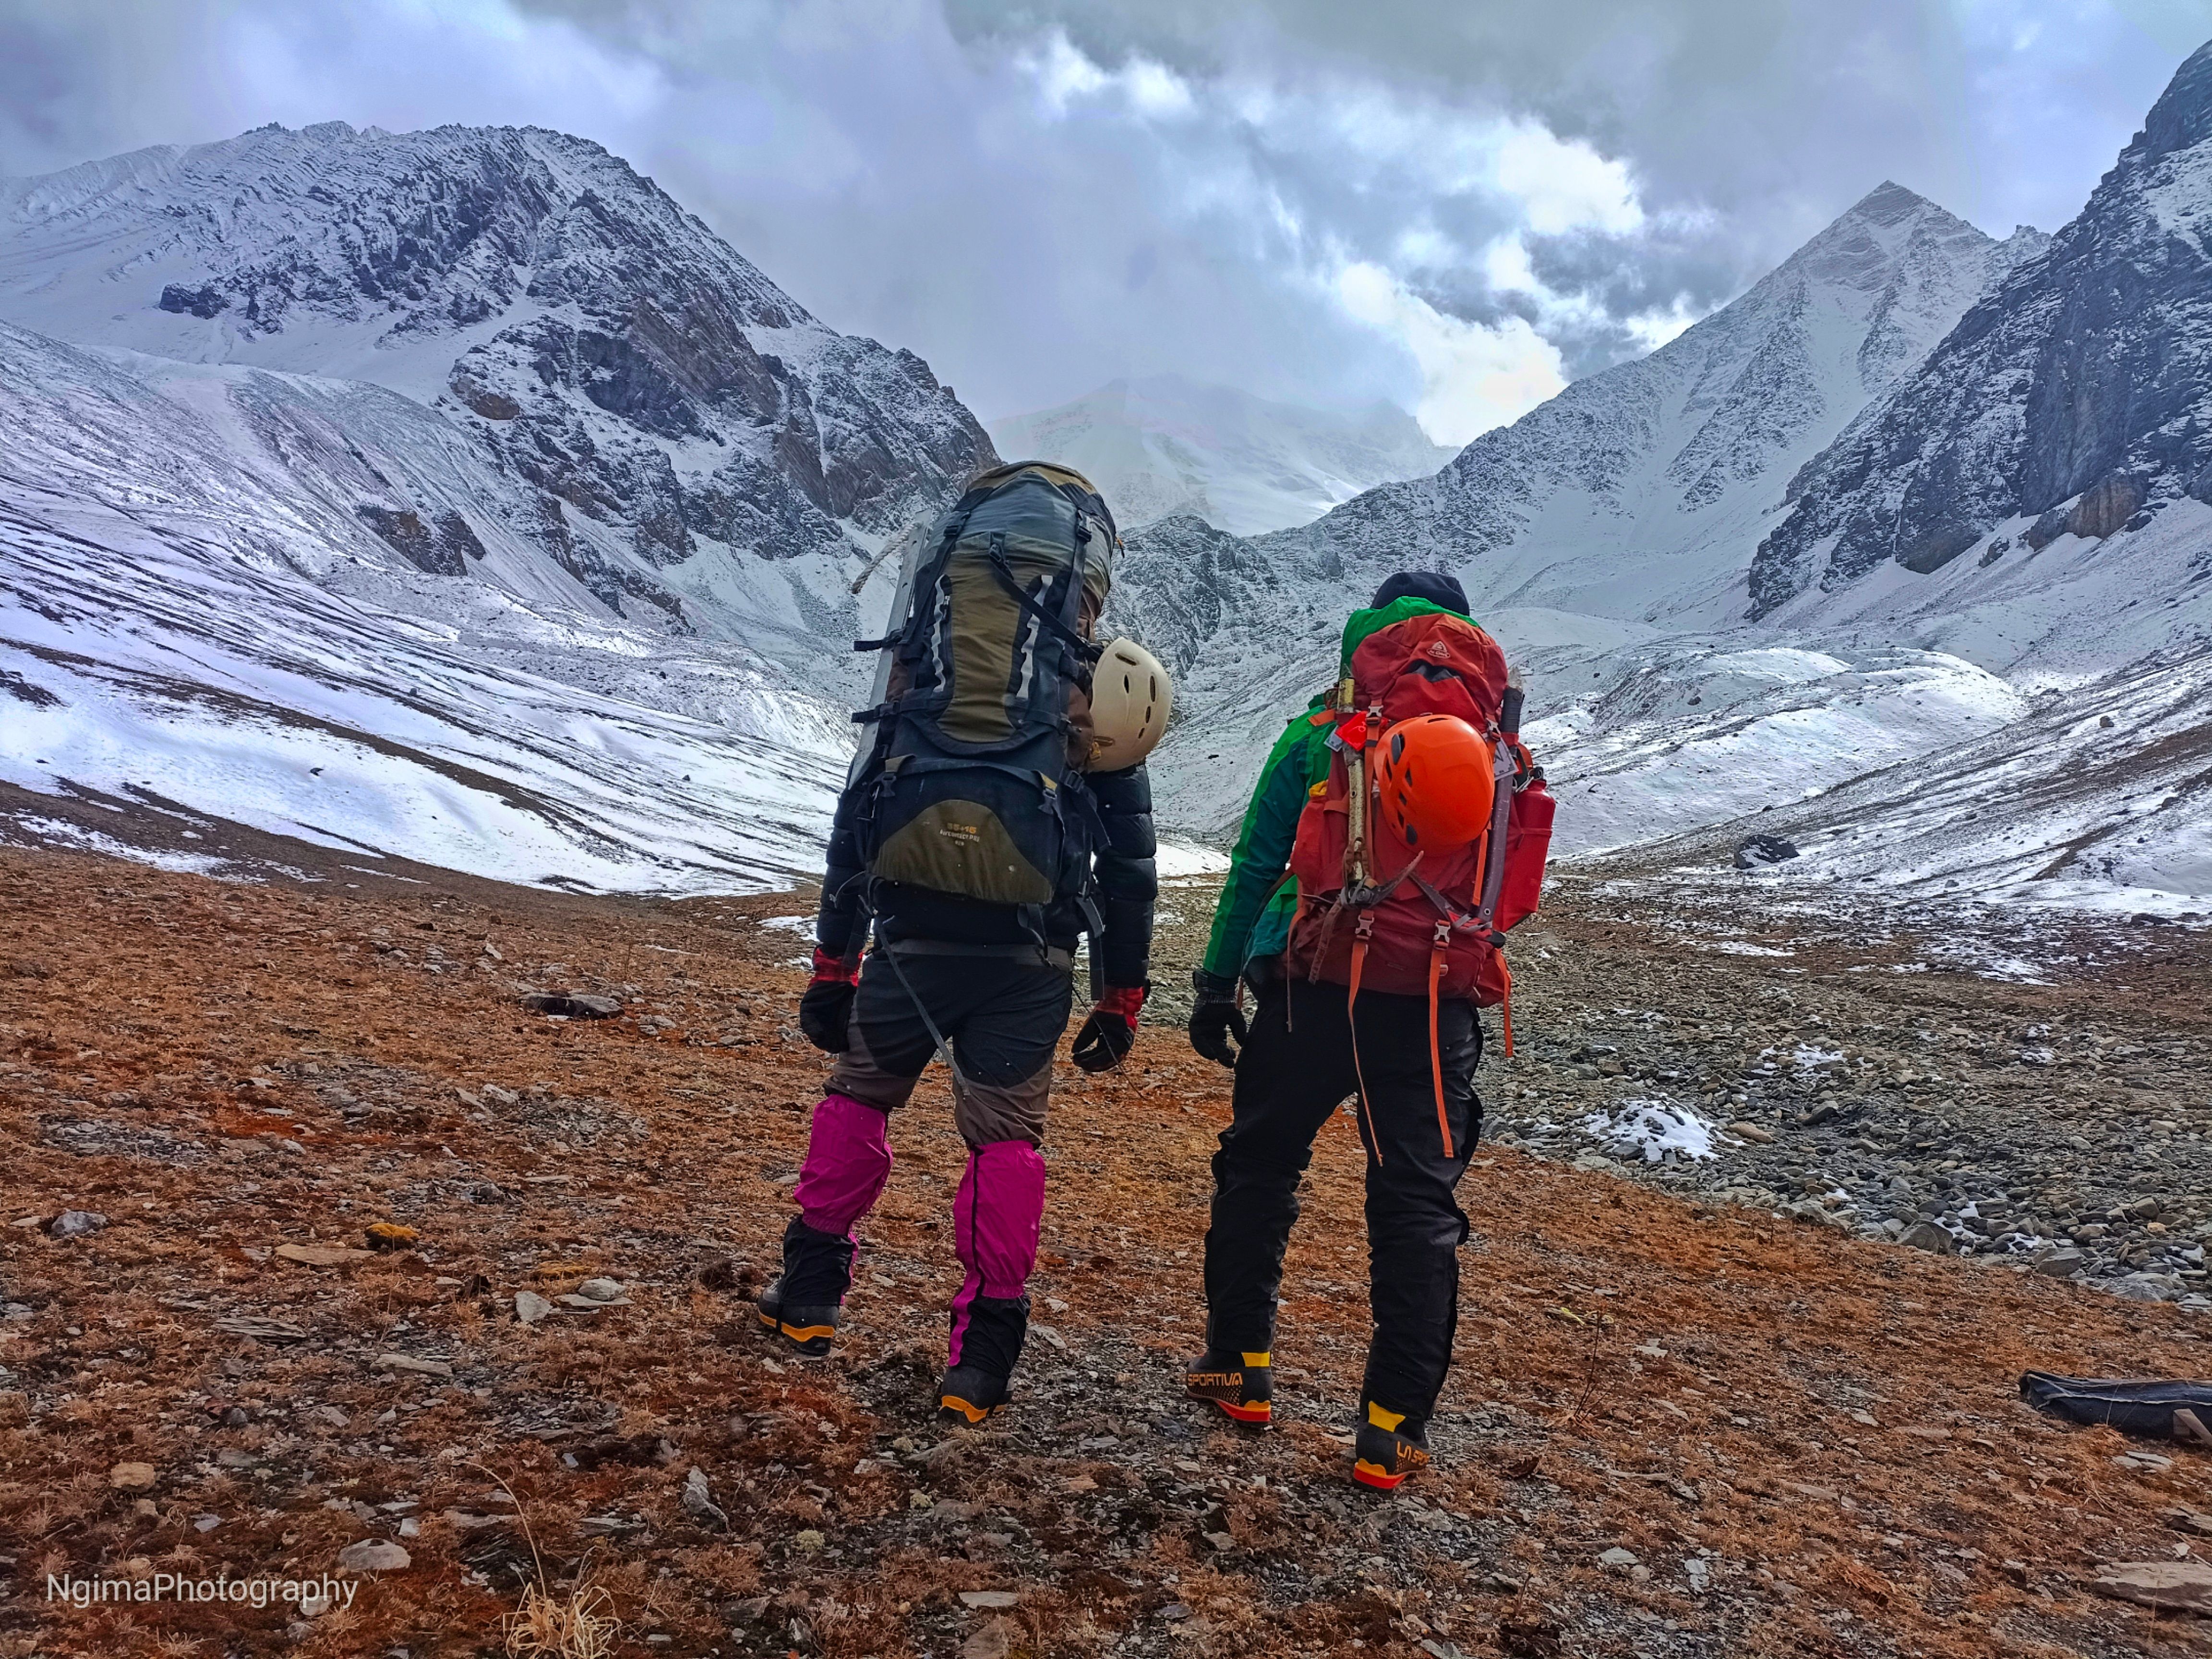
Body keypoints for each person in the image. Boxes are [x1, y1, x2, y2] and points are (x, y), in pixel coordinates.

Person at [758, 461, 1163, 1428]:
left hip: (908, 940)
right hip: (1027, 960)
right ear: (1084, 576)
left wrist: (833, 965)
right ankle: (981, 1362)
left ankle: (811, 1298)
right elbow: (1131, 864)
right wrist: (1120, 998)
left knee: (860, 1097)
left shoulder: (917, 665)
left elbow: (858, 816)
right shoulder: (1098, 685)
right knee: (1005, 1143)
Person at [1182, 570, 1543, 1491]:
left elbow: (1257, 864)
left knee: (1261, 1167)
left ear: (1368, 639)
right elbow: (1505, 892)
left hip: (1309, 988)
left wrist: (1217, 985)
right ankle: (1393, 1428)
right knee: (1417, 1207)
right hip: (1432, 1005)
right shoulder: (1497, 751)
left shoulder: (1320, 736)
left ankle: (1242, 1365)